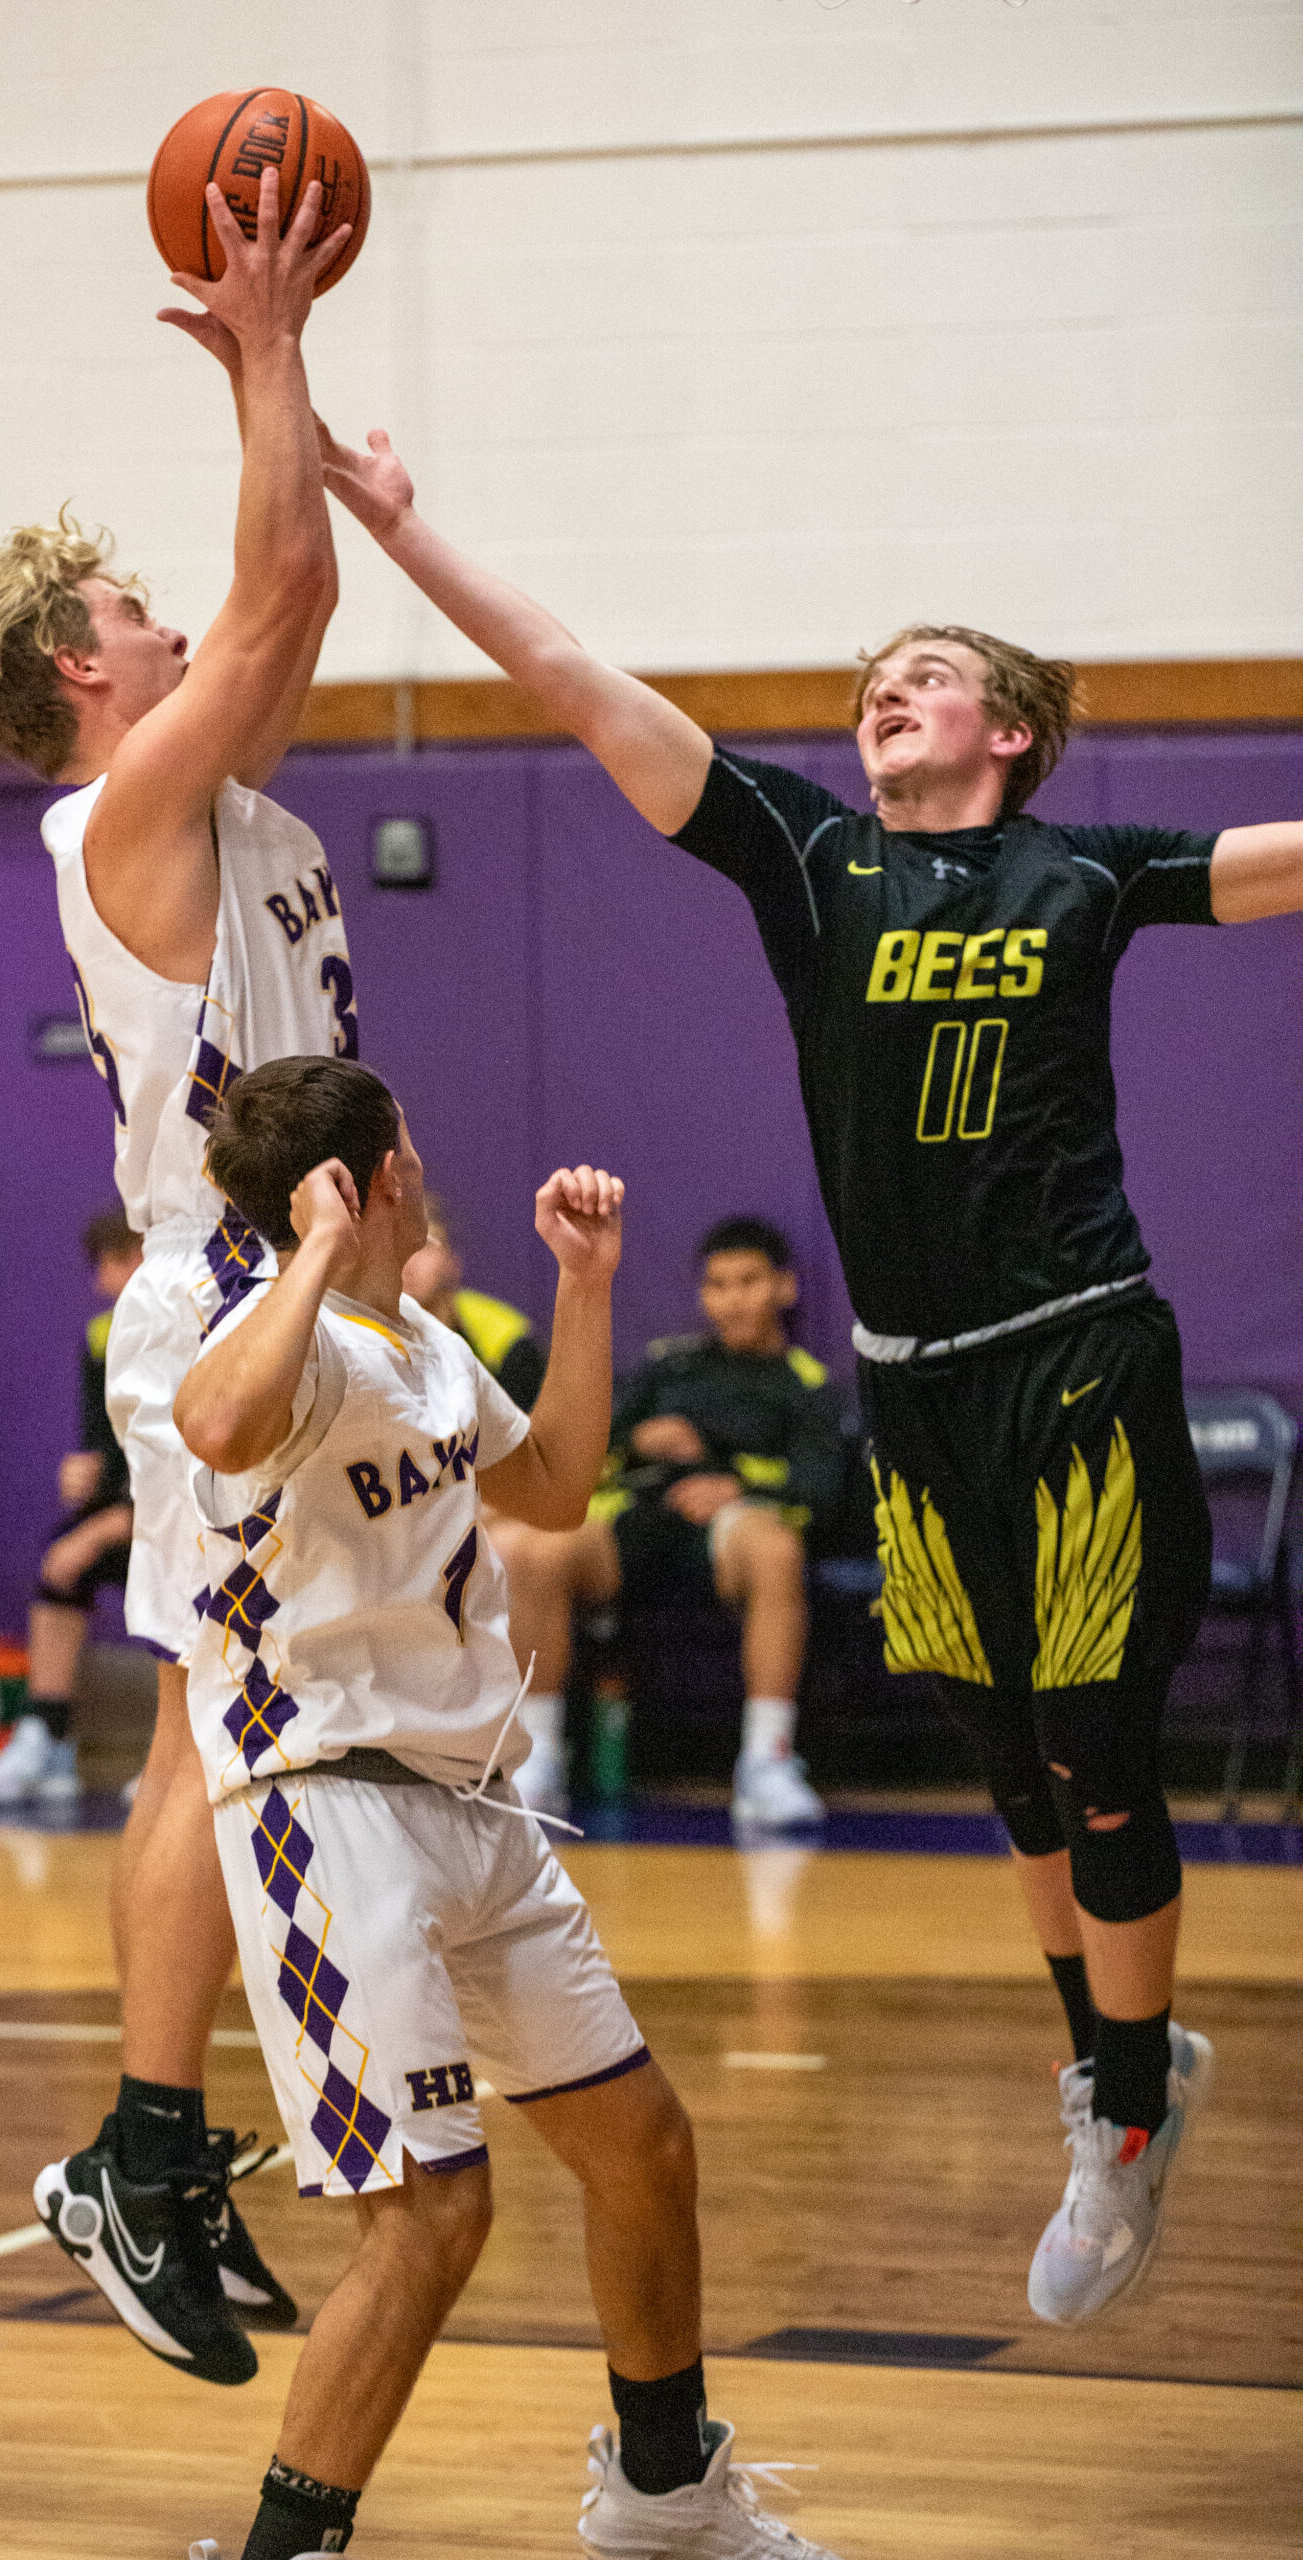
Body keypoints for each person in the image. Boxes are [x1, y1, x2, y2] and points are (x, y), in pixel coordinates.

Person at [317, 413, 1303, 2325]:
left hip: (1076, 1354)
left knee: (1101, 1755)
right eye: (869, 685)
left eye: (923, 679)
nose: (884, 696)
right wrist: (401, 532)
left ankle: (1115, 2107)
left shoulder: (1085, 876)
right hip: (912, 1389)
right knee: (1010, 1767)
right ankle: (1118, 2064)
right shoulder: (811, 866)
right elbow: (572, 681)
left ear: (1007, 729)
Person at [0, 166, 356, 2379]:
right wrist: (266, 339)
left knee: (232, 1733)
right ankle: (140, 2145)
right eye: (134, 605)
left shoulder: (206, 788)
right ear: (84, 673)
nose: (176, 619)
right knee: (193, 1733)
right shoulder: (118, 813)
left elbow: (293, 591)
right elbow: (275, 588)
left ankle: (164, 2140)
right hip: (219, 1293)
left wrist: (285, 388)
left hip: (304, 1293)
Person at [174, 1055, 843, 2560]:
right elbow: (216, 1424)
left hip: (473, 1806)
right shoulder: (274, 1344)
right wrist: (307, 1254)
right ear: (363, 1180)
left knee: (641, 2143)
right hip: (324, 1805)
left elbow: (547, 1488)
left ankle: (662, 2494)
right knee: (429, 2213)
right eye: (398, 1143)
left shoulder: (410, 1340)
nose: (423, 1154)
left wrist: (585, 1287)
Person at [497, 1217, 844, 1829]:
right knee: (531, 1549)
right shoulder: (669, 1366)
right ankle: (539, 1757)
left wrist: (734, 1484)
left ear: (783, 1288)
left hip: (728, 1533)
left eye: (748, 1283)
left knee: (776, 1550)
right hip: (639, 1517)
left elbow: (822, 1487)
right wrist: (637, 1440)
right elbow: (582, 1450)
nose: (731, 1300)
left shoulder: (805, 1385)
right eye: (716, 1285)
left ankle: (767, 1764)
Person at [0, 1208, 141, 1806]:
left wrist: (114, 1522)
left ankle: (186, 1755)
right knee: (60, 1564)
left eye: (116, 1261)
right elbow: (102, 1441)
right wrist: (86, 1474)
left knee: (111, 1558)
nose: (103, 1280)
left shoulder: (198, 1328)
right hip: (133, 1510)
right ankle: (48, 1737)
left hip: (193, 1515)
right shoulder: (102, 1337)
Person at [401, 1194, 548, 1411]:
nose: (407, 1261)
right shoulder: (357, 1335)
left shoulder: (509, 1343)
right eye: (397, 1246)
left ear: (454, 1262)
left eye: (424, 1246)